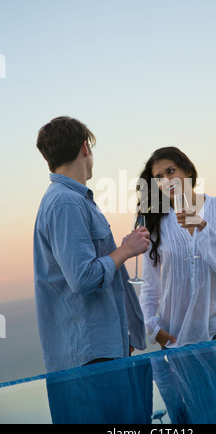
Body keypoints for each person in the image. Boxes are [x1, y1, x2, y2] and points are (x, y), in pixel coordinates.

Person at [34, 116, 149, 373]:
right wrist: (126, 250)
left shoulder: (72, 200)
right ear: (85, 147)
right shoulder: (66, 202)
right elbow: (82, 278)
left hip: (97, 353)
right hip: (90, 360)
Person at [138, 147, 216, 349]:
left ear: (187, 170)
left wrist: (202, 228)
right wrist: (152, 328)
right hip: (177, 337)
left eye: (171, 171)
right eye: (159, 177)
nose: (167, 181)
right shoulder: (155, 225)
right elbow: (150, 288)